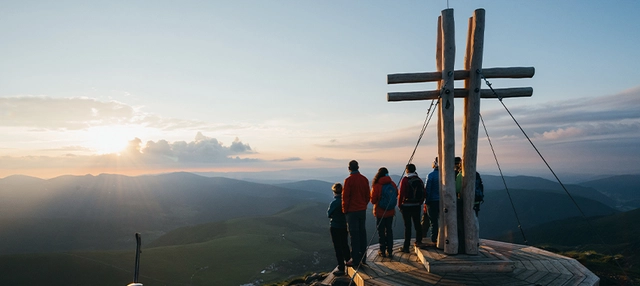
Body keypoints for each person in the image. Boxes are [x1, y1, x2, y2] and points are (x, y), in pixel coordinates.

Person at [342, 160, 370, 267]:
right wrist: (363, 205)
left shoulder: (348, 181)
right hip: (362, 210)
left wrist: (345, 211)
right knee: (362, 233)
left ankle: (355, 259)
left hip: (352, 212)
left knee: (354, 235)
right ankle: (364, 257)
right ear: (358, 167)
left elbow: (345, 198)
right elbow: (368, 196)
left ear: (349, 168)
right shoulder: (364, 179)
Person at [370, 167, 396, 258]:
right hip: (390, 211)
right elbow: (396, 194)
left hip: (380, 212)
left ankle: (382, 251)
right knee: (389, 230)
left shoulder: (376, 185)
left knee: (381, 232)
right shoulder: (392, 184)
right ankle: (390, 251)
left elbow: (373, 200)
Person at [398, 163, 424, 252]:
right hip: (416, 205)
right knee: (417, 224)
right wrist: (420, 202)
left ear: (407, 170)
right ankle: (419, 241)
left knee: (407, 226)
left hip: (406, 206)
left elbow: (401, 194)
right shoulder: (419, 180)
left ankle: (406, 247)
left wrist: (399, 205)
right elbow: (423, 192)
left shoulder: (405, 180)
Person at [327, 183, 350, 276]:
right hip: (344, 226)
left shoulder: (334, 203)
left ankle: (341, 267)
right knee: (345, 244)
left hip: (335, 226)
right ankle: (348, 261)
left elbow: (329, 214)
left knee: (338, 247)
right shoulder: (345, 201)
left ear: (334, 192)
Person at [423, 157, 440, 244]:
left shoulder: (430, 176)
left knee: (433, 221)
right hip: (444, 201)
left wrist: (426, 202)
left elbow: (427, 190)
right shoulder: (446, 175)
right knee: (444, 220)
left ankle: (434, 239)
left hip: (432, 201)